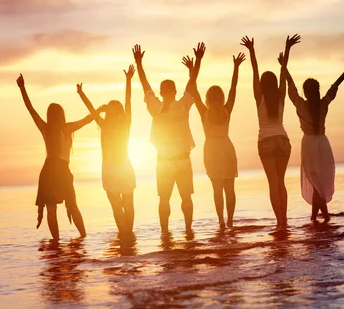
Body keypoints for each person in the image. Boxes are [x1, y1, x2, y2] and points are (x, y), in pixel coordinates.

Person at [280, 57, 344, 222]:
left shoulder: (301, 104)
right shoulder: (323, 103)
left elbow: (291, 87)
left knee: (315, 180)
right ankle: (316, 216)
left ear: (305, 92)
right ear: (317, 90)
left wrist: (284, 66)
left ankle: (322, 216)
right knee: (318, 179)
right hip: (323, 143)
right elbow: (335, 86)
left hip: (309, 143)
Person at [132, 43, 201, 234]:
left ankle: (164, 233)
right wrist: (197, 63)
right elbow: (192, 85)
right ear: (175, 92)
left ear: (162, 93)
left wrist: (139, 63)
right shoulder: (183, 106)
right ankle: (188, 231)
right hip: (182, 160)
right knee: (186, 198)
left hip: (164, 162)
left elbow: (145, 86)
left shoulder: (155, 108)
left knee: (164, 199)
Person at [16, 73, 93, 240]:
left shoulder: (45, 128)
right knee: (72, 205)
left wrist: (22, 89)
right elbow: (88, 120)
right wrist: (97, 110)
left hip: (48, 170)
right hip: (61, 170)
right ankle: (83, 237)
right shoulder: (66, 128)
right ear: (62, 115)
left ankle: (57, 242)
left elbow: (31, 109)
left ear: (50, 115)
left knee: (52, 208)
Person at [240, 35, 300, 228]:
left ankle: (279, 222)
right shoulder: (280, 95)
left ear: (262, 85)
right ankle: (285, 219)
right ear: (274, 84)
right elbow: (282, 73)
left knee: (273, 183)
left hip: (266, 141)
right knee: (281, 182)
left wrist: (251, 50)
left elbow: (254, 71)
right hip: (283, 140)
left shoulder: (259, 97)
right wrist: (287, 48)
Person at [183, 50, 246, 228]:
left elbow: (193, 92)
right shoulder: (227, 110)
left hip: (211, 151)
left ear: (208, 99)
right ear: (222, 97)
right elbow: (234, 89)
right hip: (227, 149)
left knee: (217, 190)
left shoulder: (204, 112)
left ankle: (221, 221)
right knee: (230, 189)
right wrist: (236, 67)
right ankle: (231, 221)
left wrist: (192, 69)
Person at [76, 65, 137, 237]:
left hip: (113, 170)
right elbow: (128, 102)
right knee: (126, 205)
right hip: (119, 169)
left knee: (119, 206)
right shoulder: (117, 125)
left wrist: (128, 81)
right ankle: (128, 237)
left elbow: (127, 101)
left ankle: (125, 236)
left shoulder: (108, 125)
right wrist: (82, 95)